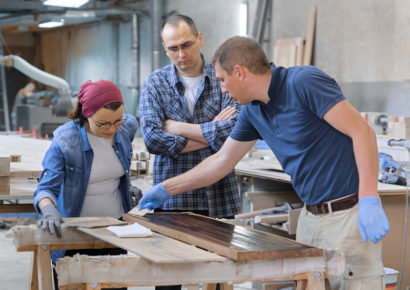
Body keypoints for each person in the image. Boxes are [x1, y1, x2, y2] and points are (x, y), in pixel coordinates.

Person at [139, 36, 390, 289]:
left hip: (349, 216)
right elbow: (222, 161)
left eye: (223, 81)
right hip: (310, 220)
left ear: (239, 72)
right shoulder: (252, 111)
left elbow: (362, 132)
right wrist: (166, 189)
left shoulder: (303, 82)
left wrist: (368, 197)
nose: (223, 89)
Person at [33, 79, 138, 289]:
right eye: (103, 124)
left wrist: (126, 188)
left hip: (115, 230)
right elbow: (46, 189)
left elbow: (116, 169)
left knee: (115, 284)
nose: (112, 129)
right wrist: (49, 211)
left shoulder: (126, 128)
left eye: (117, 121)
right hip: (75, 231)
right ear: (86, 114)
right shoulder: (66, 140)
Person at [139, 14, 241, 219]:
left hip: (219, 198)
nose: (181, 54)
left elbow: (236, 130)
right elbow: (152, 140)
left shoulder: (222, 77)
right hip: (172, 199)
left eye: (186, 45)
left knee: (219, 253)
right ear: (164, 47)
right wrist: (213, 131)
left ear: (199, 39)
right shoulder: (155, 84)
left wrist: (177, 127)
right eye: (173, 49)